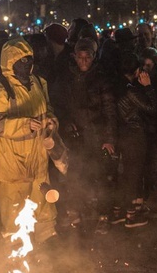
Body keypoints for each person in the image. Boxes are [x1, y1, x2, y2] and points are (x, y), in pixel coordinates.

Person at [0, 39, 57, 242]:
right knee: (13, 208)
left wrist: (51, 121)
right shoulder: (0, 89)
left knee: (43, 202)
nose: (27, 65)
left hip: (38, 157)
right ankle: (16, 250)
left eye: (29, 60)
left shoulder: (39, 83)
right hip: (11, 161)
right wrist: (24, 125)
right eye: (21, 61)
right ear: (10, 62)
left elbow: (47, 109)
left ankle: (47, 246)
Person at [49, 38, 118, 234]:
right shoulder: (67, 79)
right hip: (75, 137)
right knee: (75, 175)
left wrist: (109, 139)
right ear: (75, 57)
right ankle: (76, 212)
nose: (84, 61)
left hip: (96, 137)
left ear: (93, 57)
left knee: (101, 177)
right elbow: (59, 105)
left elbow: (110, 110)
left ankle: (103, 215)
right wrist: (65, 123)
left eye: (88, 57)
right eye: (80, 57)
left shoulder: (101, 79)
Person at [113, 52, 157, 228]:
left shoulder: (118, 85)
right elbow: (151, 108)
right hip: (134, 135)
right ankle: (131, 214)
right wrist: (148, 87)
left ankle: (117, 211)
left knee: (125, 173)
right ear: (137, 70)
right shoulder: (130, 90)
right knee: (133, 173)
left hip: (124, 134)